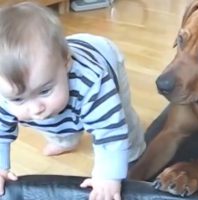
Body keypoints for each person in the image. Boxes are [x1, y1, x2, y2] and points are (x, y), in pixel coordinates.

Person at [0, 2, 146, 200]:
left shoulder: (93, 83)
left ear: (66, 64)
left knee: (121, 120)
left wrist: (108, 175)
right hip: (61, 70)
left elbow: (109, 130)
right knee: (54, 117)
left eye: (45, 90)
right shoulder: (6, 92)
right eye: (18, 99)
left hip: (105, 57)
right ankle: (65, 139)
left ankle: (134, 149)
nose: (35, 109)